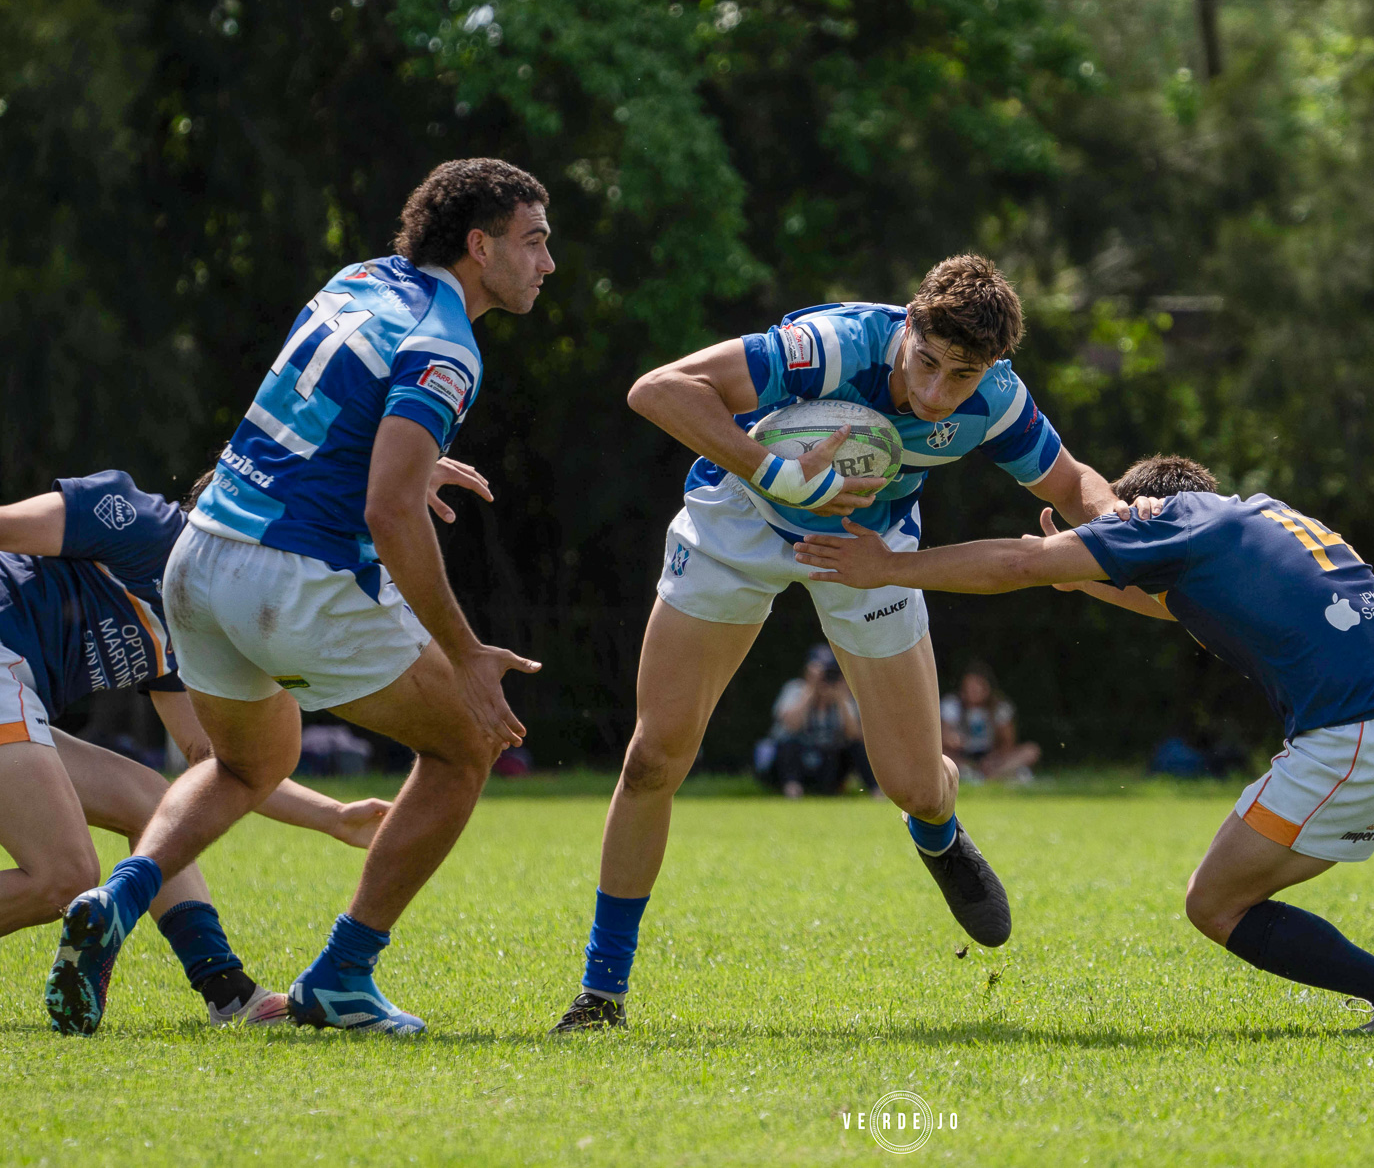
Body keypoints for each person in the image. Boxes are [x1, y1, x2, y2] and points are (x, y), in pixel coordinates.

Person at [796, 454, 1374, 1032]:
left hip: (1366, 725)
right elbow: (1162, 595)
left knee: (1216, 902)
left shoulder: (1174, 524)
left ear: (1149, 509)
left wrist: (892, 566)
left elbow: (1026, 562)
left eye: (1124, 522)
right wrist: (1082, 578)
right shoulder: (1254, 514)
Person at [553, 255, 1136, 1032]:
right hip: (742, 521)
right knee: (653, 755)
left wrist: (1123, 522)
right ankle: (602, 993)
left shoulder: (995, 401)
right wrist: (774, 471)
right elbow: (657, 389)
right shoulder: (831, 347)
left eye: (960, 376)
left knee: (913, 783)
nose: (935, 392)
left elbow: (1072, 486)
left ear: (990, 369)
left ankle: (939, 829)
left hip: (871, 548)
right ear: (908, 325)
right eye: (926, 361)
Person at [46, 158, 553, 1037]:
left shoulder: (357, 281)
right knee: (467, 743)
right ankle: (343, 978)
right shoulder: (447, 342)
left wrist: (409, 460)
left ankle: (119, 897)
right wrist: (467, 653)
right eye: (535, 241)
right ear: (479, 247)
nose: (548, 263)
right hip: (293, 577)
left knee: (246, 763)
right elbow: (389, 511)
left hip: (200, 557)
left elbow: (316, 412)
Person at [2, 470, 390, 1027]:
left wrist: (334, 817)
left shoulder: (200, 622)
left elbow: (222, 770)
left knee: (153, 804)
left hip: (14, 689)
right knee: (63, 876)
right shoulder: (142, 523)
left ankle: (225, 989)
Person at [764, 644, 875, 798]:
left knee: (857, 747)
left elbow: (855, 735)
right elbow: (791, 726)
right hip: (800, 757)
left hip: (830, 761)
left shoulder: (843, 696)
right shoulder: (795, 689)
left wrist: (841, 699)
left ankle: (876, 792)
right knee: (787, 744)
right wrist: (810, 690)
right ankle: (793, 791)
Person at [941, 663, 1039, 782]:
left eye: (977, 686)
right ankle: (991, 774)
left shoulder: (1000, 708)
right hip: (962, 755)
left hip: (991, 756)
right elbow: (942, 736)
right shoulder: (952, 705)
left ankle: (988, 777)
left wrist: (993, 758)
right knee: (941, 755)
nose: (973, 691)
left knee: (1031, 751)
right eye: (969, 687)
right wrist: (951, 739)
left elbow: (1008, 743)